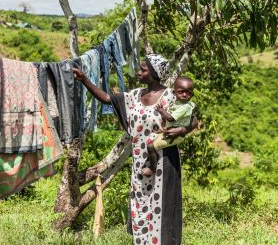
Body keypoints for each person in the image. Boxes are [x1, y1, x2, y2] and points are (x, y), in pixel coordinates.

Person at [73, 53, 197, 245]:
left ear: (155, 73)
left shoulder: (172, 96)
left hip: (165, 161)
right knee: (140, 205)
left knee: (163, 208)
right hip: (140, 162)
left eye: (143, 69)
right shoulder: (134, 96)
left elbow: (193, 120)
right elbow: (107, 98)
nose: (138, 72)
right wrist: (84, 80)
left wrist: (181, 129)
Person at [141, 76, 195, 177]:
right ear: (174, 93)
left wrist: (161, 110)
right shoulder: (178, 103)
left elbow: (170, 118)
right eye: (181, 92)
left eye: (188, 93)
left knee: (150, 146)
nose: (185, 94)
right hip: (169, 131)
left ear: (192, 94)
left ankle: (152, 168)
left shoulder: (186, 106)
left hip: (176, 135)